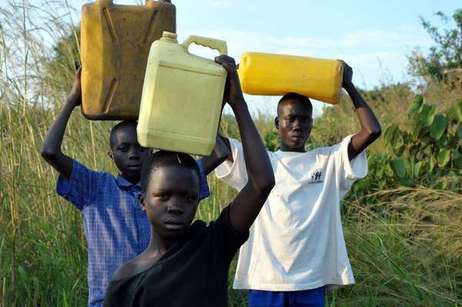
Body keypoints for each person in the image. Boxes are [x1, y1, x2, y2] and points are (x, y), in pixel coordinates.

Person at [40, 68, 227, 307]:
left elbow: (220, 151)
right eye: (123, 148)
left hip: (158, 299)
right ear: (111, 154)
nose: (133, 155)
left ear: (151, 149)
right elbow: (50, 151)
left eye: (140, 147)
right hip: (106, 301)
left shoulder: (173, 187)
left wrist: (197, 102)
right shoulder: (95, 187)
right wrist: (72, 99)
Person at [103, 55, 275, 307]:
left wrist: (238, 103)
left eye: (188, 197)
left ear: (197, 201)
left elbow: (262, 183)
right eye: (163, 195)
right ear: (143, 201)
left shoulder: (212, 245)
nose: (175, 205)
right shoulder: (126, 281)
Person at [215, 61, 382, 307]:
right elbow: (213, 139)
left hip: (310, 282)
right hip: (266, 280)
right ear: (276, 123)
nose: (297, 126)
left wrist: (347, 84)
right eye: (290, 119)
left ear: (312, 124)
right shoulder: (259, 163)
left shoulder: (328, 161)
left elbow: (371, 131)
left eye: (304, 120)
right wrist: (223, 85)